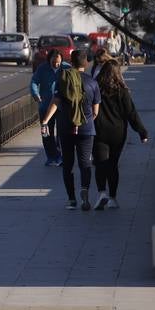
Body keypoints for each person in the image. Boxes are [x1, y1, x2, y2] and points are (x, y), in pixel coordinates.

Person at [40, 48, 101, 210]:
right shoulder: (93, 83)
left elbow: (56, 102)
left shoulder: (63, 79)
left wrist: (45, 121)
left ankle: (71, 199)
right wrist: (84, 121)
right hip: (86, 128)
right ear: (86, 63)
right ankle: (84, 190)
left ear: (71, 62)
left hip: (65, 128)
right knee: (85, 163)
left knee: (67, 164)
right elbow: (96, 111)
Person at [91, 57, 149, 209]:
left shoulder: (95, 87)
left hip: (99, 132)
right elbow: (131, 113)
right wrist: (142, 132)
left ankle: (101, 192)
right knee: (113, 165)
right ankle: (113, 198)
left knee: (100, 164)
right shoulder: (122, 91)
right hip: (118, 132)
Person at [30, 49, 64, 166]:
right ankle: (51, 156)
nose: (56, 65)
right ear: (49, 60)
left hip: (60, 106)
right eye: (53, 62)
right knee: (46, 132)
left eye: (58, 62)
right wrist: (35, 93)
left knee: (61, 132)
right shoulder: (42, 68)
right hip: (45, 105)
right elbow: (34, 81)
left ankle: (60, 155)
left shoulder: (66, 68)